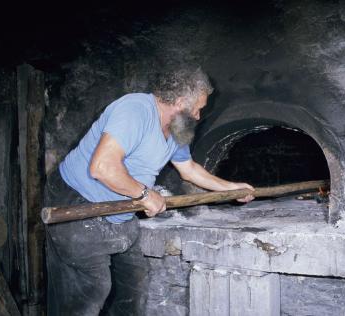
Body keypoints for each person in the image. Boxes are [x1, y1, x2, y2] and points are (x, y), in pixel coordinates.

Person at [45, 64, 254, 316]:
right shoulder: (134, 110)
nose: (199, 115)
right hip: (77, 203)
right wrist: (144, 194)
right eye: (198, 108)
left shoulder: (177, 128)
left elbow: (189, 169)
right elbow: (101, 167)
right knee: (92, 289)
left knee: (133, 284)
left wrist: (233, 189)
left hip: (121, 210)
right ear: (179, 102)